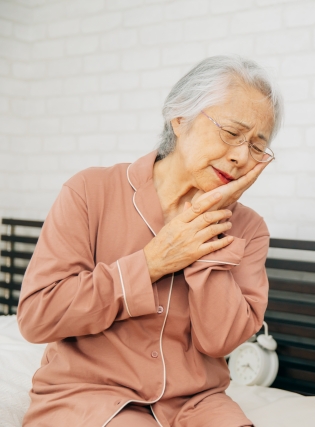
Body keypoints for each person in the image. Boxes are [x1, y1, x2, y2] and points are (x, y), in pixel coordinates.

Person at [17, 55, 283, 427]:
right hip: (89, 396)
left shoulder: (250, 229)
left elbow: (219, 342)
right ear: (179, 117)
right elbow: (37, 317)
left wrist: (210, 229)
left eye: (257, 146)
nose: (241, 156)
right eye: (232, 133)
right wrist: (151, 262)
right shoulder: (89, 192)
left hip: (197, 403)